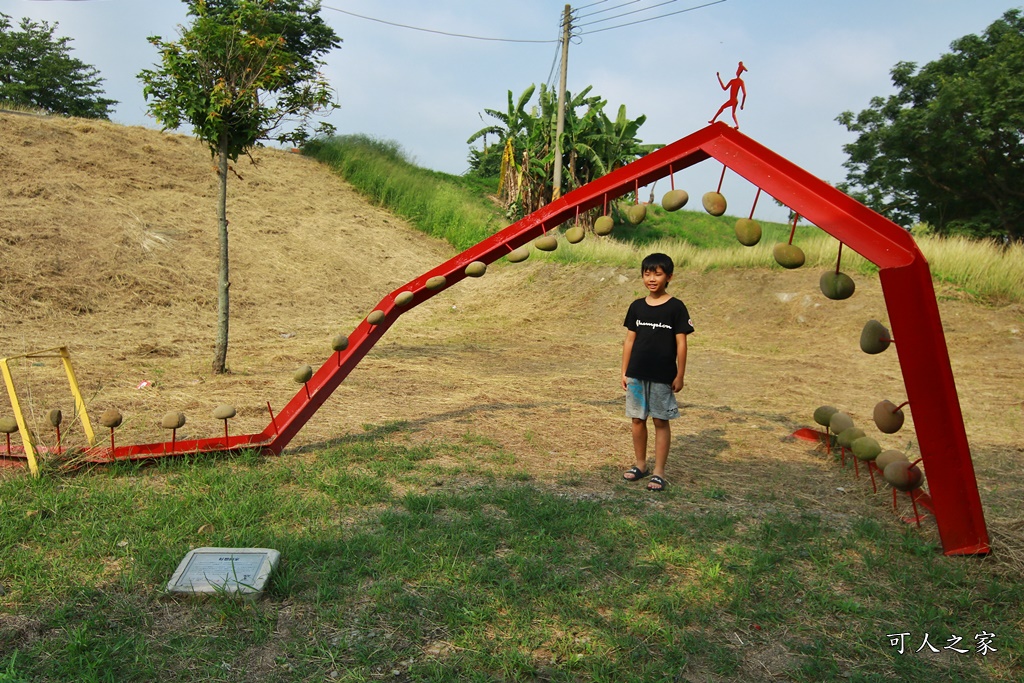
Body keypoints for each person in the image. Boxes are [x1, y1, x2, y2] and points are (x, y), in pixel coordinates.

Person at [621, 253, 694, 491]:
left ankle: (659, 471)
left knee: (661, 421)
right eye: (647, 273)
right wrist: (624, 371)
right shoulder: (636, 307)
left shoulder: (676, 307)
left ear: (669, 277)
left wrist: (680, 374)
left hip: (663, 375)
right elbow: (629, 341)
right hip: (637, 374)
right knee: (637, 419)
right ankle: (640, 464)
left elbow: (681, 344)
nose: (652, 278)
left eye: (658, 274)